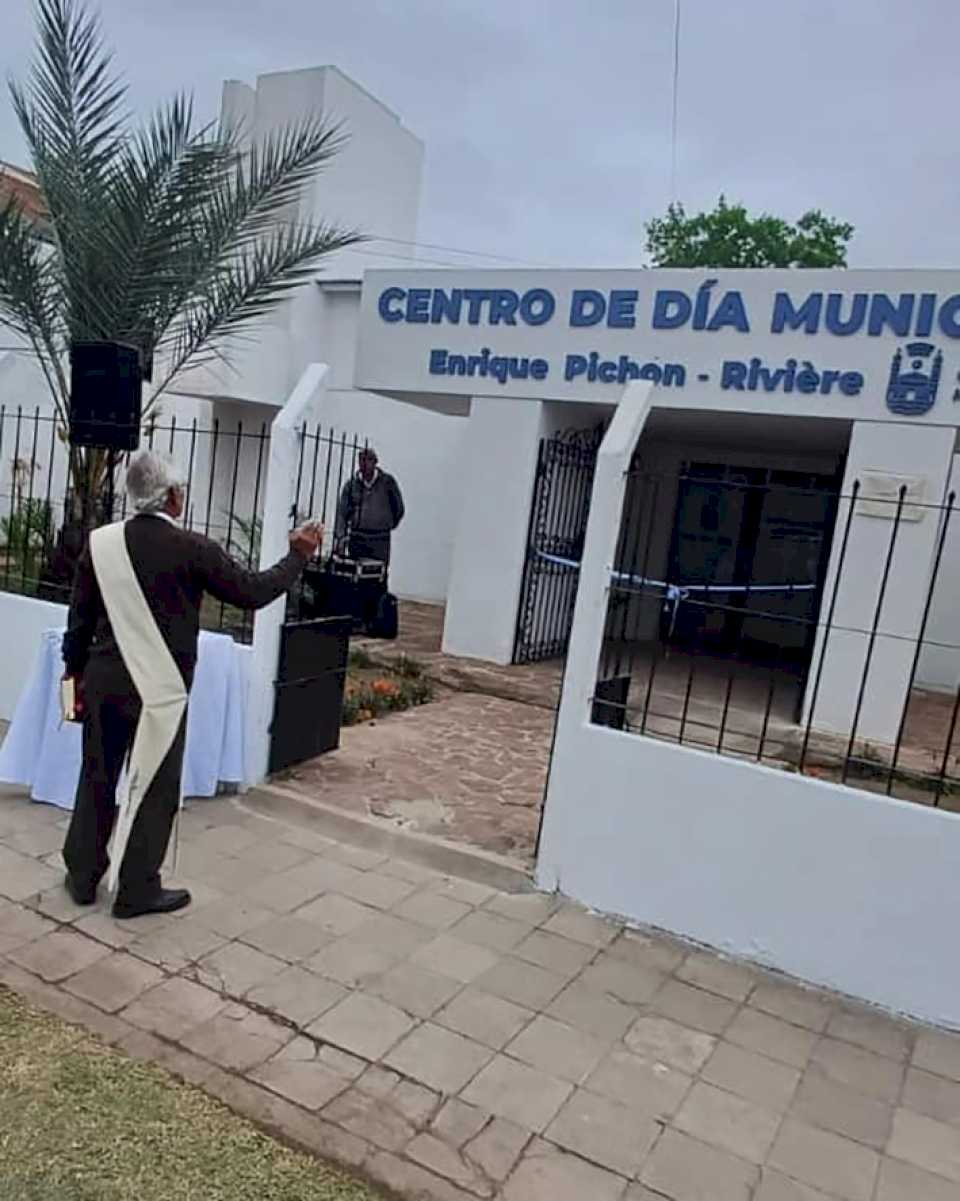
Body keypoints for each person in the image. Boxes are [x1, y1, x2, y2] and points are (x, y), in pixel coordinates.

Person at [61, 451, 323, 919]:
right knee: (156, 786)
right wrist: (298, 553)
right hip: (159, 689)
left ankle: (82, 876)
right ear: (174, 498)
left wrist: (72, 671)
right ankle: (136, 888)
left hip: (103, 679)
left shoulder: (99, 543)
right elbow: (252, 592)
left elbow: (79, 618)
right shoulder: (193, 548)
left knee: (97, 774)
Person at [335, 448, 405, 572]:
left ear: (375, 462)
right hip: (357, 538)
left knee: (378, 574)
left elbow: (398, 508)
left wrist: (387, 524)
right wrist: (341, 537)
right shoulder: (351, 485)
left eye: (368, 460)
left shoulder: (387, 483)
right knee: (356, 574)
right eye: (361, 460)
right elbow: (342, 513)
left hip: (380, 540)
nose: (364, 464)